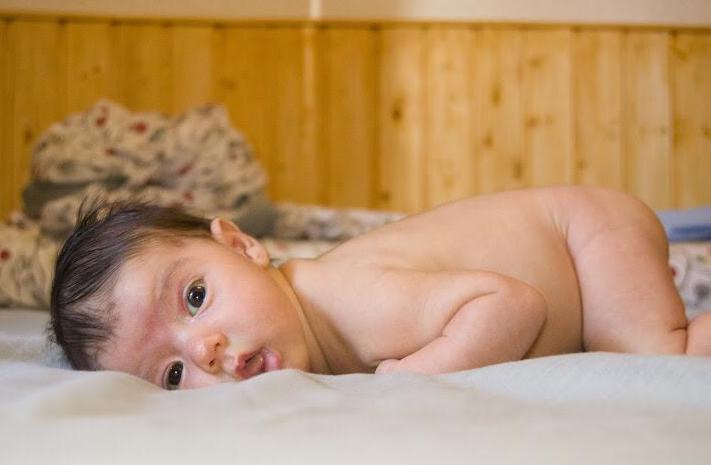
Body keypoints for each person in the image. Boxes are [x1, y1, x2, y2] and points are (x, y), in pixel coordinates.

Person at [49, 186, 711, 390]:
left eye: (194, 298)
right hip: (569, 239)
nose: (206, 348)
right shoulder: (308, 339)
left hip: (581, 233)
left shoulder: (348, 296)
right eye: (168, 373)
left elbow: (513, 302)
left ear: (243, 245)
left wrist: (410, 378)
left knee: (659, 356)